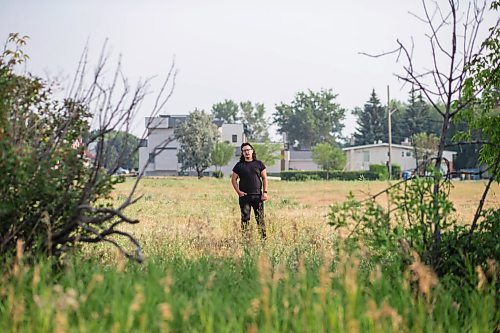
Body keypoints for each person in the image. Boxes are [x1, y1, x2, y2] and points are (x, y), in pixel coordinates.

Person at [231, 142, 268, 239]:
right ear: (242, 153)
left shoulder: (259, 164)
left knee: (260, 219)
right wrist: (239, 192)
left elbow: (264, 178)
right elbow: (233, 180)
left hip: (258, 196)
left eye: (248, 150)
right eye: (244, 151)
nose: (247, 152)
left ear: (252, 151)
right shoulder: (239, 165)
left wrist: (265, 192)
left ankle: (263, 240)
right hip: (244, 197)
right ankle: (245, 240)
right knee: (245, 219)